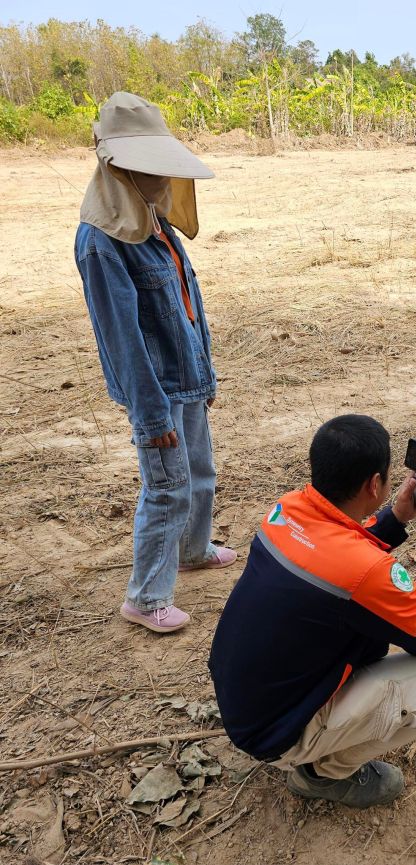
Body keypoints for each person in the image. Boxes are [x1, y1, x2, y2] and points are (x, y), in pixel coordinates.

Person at [209, 414, 416, 808]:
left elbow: (336, 551)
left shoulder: (285, 510)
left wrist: (396, 517)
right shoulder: (366, 573)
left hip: (245, 703)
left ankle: (313, 739)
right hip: (274, 734)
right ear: (374, 484)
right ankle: (321, 774)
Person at [74, 92, 236, 634]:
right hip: (157, 391)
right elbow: (120, 338)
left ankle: (193, 550)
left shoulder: (153, 221)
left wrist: (205, 373)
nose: (162, 177)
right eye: (149, 167)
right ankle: (146, 598)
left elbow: (188, 302)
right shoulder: (102, 241)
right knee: (167, 488)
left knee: (200, 473)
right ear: (116, 168)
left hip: (187, 378)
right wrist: (150, 414)